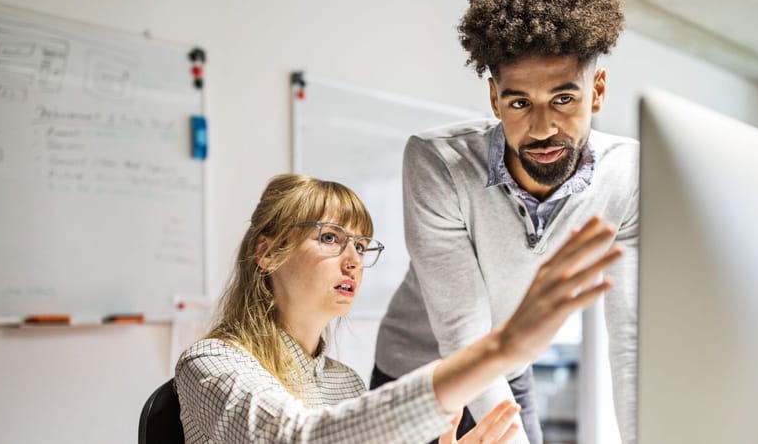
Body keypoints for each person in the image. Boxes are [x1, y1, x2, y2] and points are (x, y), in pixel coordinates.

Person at [371, 0, 638, 443]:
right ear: (494, 98)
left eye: (563, 99)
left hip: (511, 371)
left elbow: (631, 341)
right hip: (418, 379)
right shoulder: (440, 163)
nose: (541, 128)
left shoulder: (627, 175)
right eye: (520, 102)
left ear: (596, 90)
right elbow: (463, 337)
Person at [175, 173, 622, 443]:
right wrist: (497, 349)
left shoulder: (343, 382)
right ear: (267, 252)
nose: (353, 259)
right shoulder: (212, 363)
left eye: (361, 245)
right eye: (330, 238)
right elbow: (298, 440)